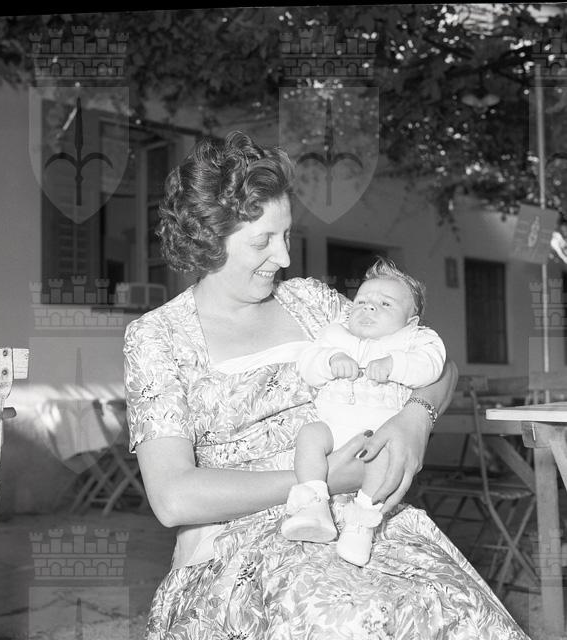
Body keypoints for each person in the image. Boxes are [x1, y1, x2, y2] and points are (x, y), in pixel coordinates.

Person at [124, 131, 531, 639]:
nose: (284, 257)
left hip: (365, 521)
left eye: (286, 235)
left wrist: (415, 419)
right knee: (350, 620)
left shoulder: (313, 304)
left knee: (457, 612)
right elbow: (173, 497)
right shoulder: (158, 337)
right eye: (262, 241)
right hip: (241, 545)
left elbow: (439, 366)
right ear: (208, 238)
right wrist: (321, 480)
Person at [281, 257, 446, 567]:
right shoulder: (335, 335)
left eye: (385, 304)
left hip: (378, 435)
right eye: (362, 301)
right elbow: (308, 363)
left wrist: (395, 364)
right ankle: (313, 504)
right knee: (309, 435)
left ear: (411, 321)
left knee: (382, 462)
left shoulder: (415, 339)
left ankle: (360, 525)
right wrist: (331, 360)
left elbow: (432, 365)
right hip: (332, 429)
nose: (369, 307)